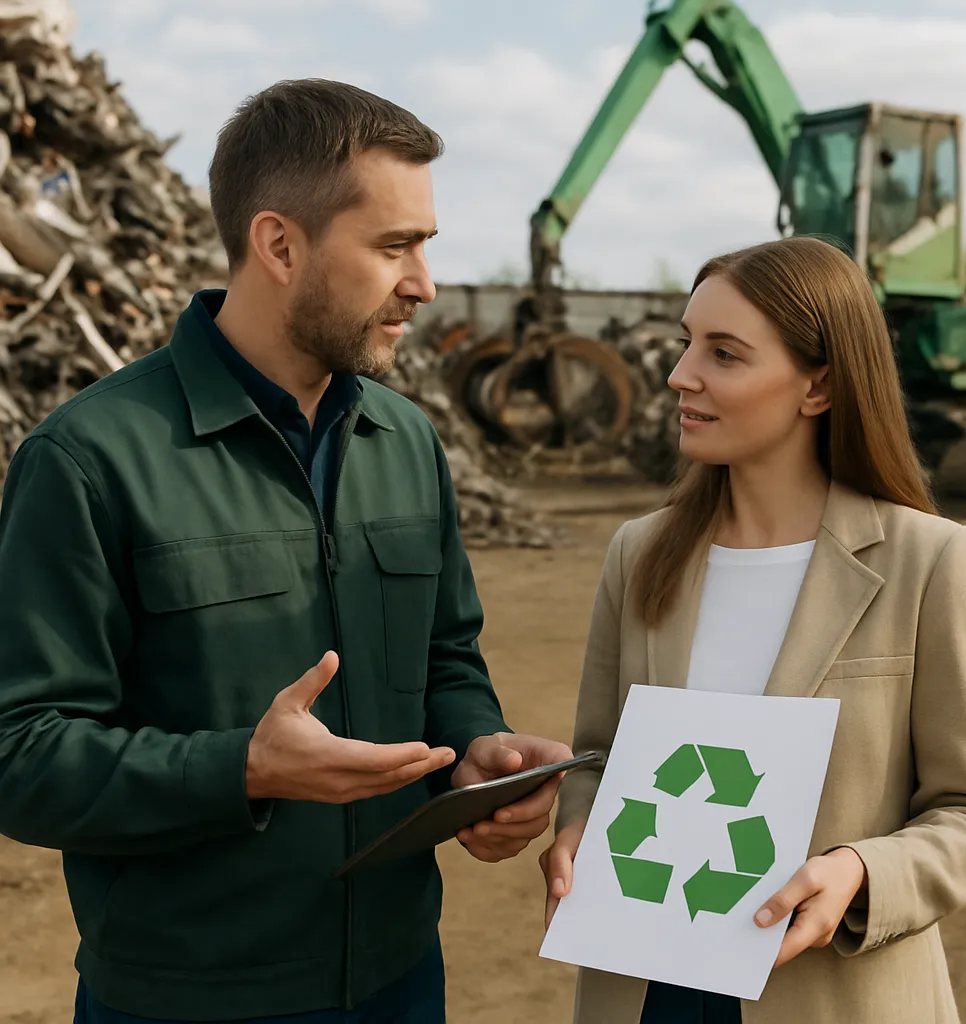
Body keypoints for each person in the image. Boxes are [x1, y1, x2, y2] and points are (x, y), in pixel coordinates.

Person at [0, 79, 573, 1024]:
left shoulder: (406, 442)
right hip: (187, 1000)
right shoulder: (90, 460)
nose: (424, 283)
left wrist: (476, 751)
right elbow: (21, 754)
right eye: (393, 246)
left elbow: (446, 656)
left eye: (424, 245)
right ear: (278, 244)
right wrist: (244, 769)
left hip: (399, 979)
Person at [539, 235, 966, 1024]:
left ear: (818, 386)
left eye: (724, 353)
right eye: (687, 343)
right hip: (645, 992)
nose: (680, 374)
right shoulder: (639, 553)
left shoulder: (932, 560)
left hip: (833, 995)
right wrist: (579, 823)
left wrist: (860, 873)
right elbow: (598, 760)